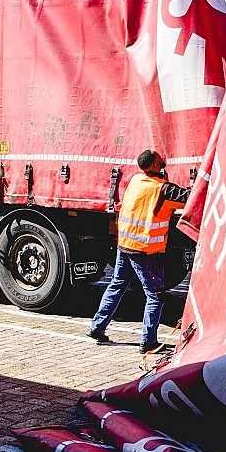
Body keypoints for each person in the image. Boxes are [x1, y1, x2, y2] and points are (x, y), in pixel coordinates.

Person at [87, 149, 190, 353]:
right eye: (160, 159)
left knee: (117, 285)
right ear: (153, 165)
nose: (163, 159)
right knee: (155, 296)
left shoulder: (136, 180)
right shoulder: (162, 189)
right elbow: (188, 197)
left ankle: (97, 327)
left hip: (125, 245)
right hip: (146, 251)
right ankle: (148, 341)